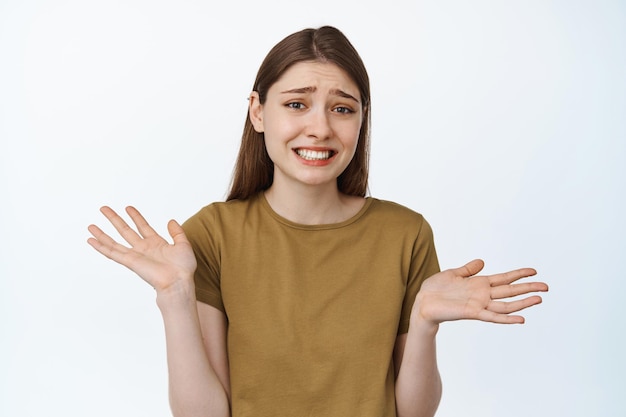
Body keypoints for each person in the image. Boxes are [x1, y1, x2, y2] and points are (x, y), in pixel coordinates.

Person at [87, 26, 548, 417]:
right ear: (258, 112)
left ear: (362, 120)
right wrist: (175, 298)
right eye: (296, 104)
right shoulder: (211, 235)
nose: (321, 128)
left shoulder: (406, 234)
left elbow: (414, 412)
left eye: (342, 108)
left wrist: (424, 320)